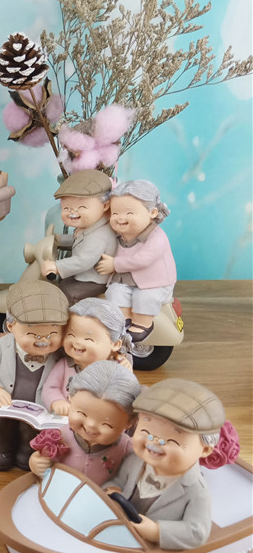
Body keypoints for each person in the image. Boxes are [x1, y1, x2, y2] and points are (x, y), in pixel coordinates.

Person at [104, 379, 225, 549]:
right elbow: (118, 481)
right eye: (146, 432)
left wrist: (157, 531)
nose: (153, 443)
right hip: (116, 532)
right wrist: (112, 490)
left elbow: (197, 532)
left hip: (147, 550)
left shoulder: (196, 491)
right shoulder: (134, 461)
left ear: (204, 449)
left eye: (171, 441)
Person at [0, 280, 69, 471]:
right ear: (11, 327)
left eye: (52, 334)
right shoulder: (2, 346)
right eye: (33, 334)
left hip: (39, 405)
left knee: (34, 426)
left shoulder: (61, 355)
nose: (43, 342)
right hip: (5, 401)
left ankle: (28, 451)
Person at [28, 360, 140, 485]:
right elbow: (43, 460)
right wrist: (36, 463)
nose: (90, 425)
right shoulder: (58, 437)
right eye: (82, 413)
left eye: (107, 424)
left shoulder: (126, 448)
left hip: (101, 496)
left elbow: (131, 477)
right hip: (60, 491)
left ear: (130, 422)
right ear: (70, 399)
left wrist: (117, 487)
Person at [96, 179, 177, 343]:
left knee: (145, 297)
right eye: (115, 213)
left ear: (152, 213)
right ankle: (123, 319)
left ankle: (142, 324)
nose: (120, 218)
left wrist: (114, 264)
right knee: (114, 292)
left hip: (154, 283)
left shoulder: (156, 237)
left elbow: (143, 260)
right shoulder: (119, 234)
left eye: (129, 213)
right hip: (127, 280)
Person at [40, 297, 132, 417]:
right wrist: (57, 401)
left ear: (115, 344)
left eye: (88, 339)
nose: (77, 342)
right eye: (71, 335)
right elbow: (50, 388)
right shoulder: (65, 365)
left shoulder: (117, 368)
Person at [40, 169, 117, 304]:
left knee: (69, 294)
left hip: (95, 280)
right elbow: (80, 241)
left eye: (81, 207)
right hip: (84, 275)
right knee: (62, 284)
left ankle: (73, 315)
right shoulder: (89, 227)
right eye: (66, 208)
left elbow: (84, 260)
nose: (72, 213)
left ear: (105, 205)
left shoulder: (100, 235)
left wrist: (56, 266)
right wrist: (60, 240)